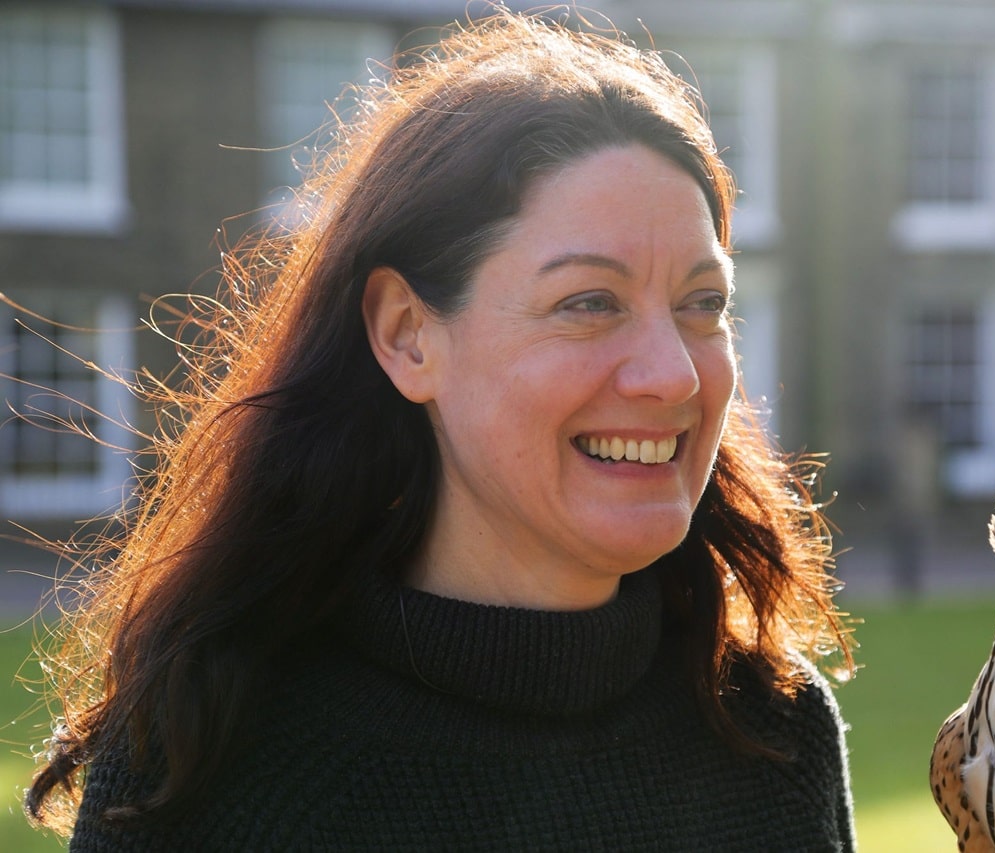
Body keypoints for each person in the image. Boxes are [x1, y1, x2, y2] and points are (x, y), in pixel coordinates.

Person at [26, 9, 856, 850]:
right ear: (407, 335)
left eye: (702, 304)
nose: (674, 372)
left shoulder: (774, 731)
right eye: (589, 303)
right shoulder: (207, 761)